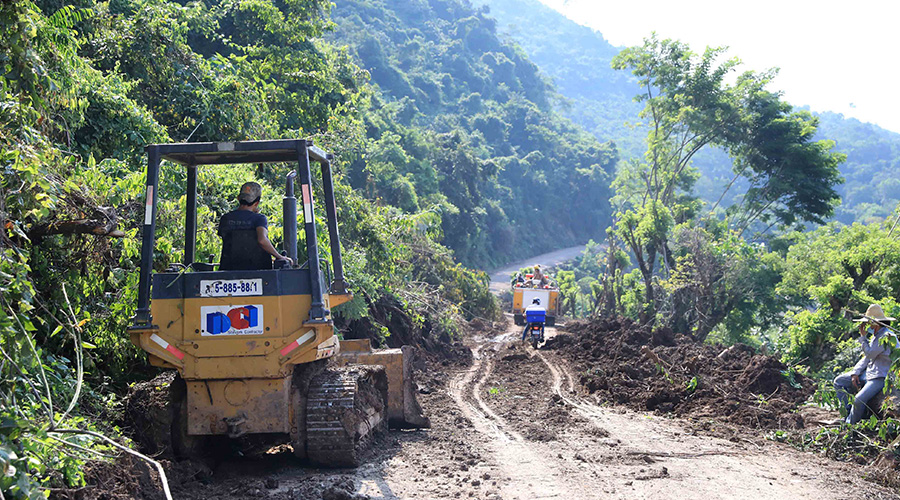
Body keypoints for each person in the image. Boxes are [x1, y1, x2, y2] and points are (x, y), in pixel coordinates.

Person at [833, 304, 896, 424]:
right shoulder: (876, 336)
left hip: (880, 377)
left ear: (875, 324)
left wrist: (863, 337)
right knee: (839, 381)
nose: (866, 326)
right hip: (869, 373)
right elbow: (866, 359)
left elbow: (870, 354)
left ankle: (849, 424)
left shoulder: (886, 336)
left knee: (859, 400)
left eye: (868, 323)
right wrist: (855, 372)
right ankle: (847, 413)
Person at [218, 182, 293, 271]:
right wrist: (280, 257)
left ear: (238, 198)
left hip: (229, 270)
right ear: (257, 202)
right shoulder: (259, 219)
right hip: (258, 271)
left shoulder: (225, 218)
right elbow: (262, 240)